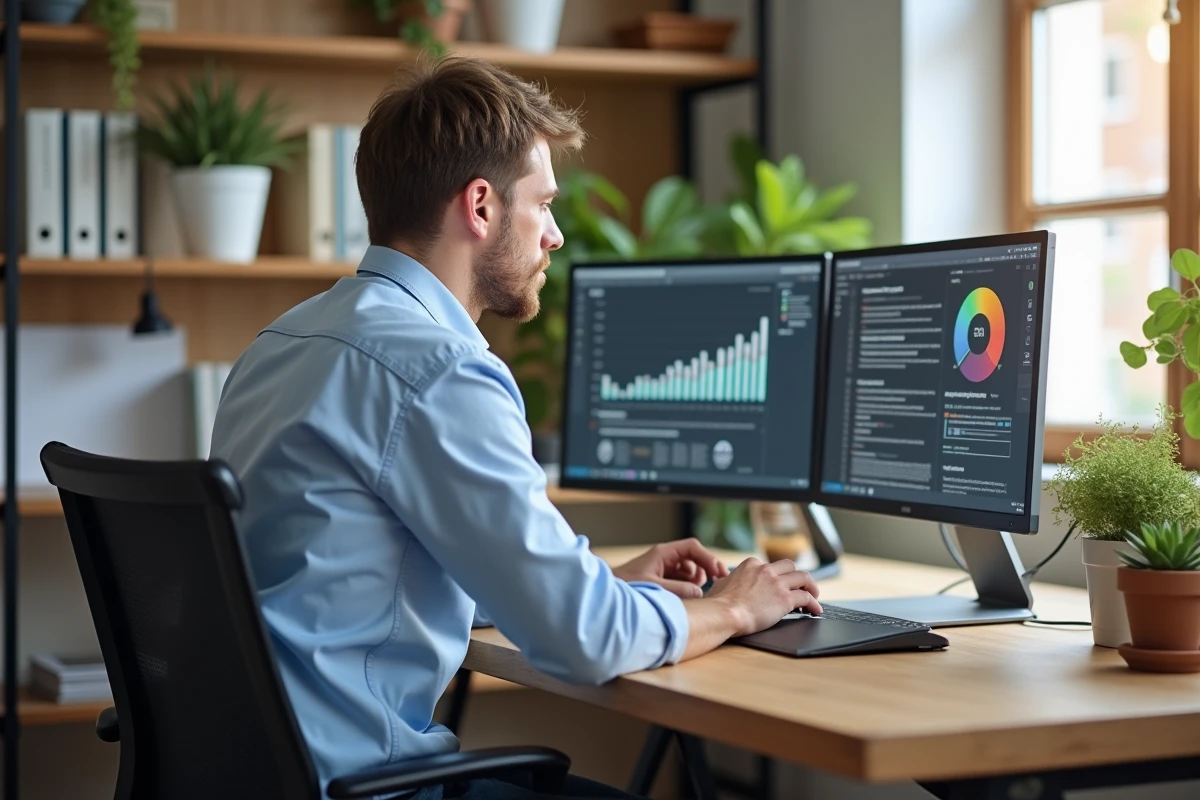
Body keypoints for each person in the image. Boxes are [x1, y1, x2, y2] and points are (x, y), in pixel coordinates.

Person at [209, 55, 821, 800]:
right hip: (365, 788)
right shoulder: (440, 370)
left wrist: (600, 585)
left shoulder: (282, 343)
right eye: (544, 204)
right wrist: (733, 607)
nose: (554, 235)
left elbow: (347, 575)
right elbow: (587, 642)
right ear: (480, 206)